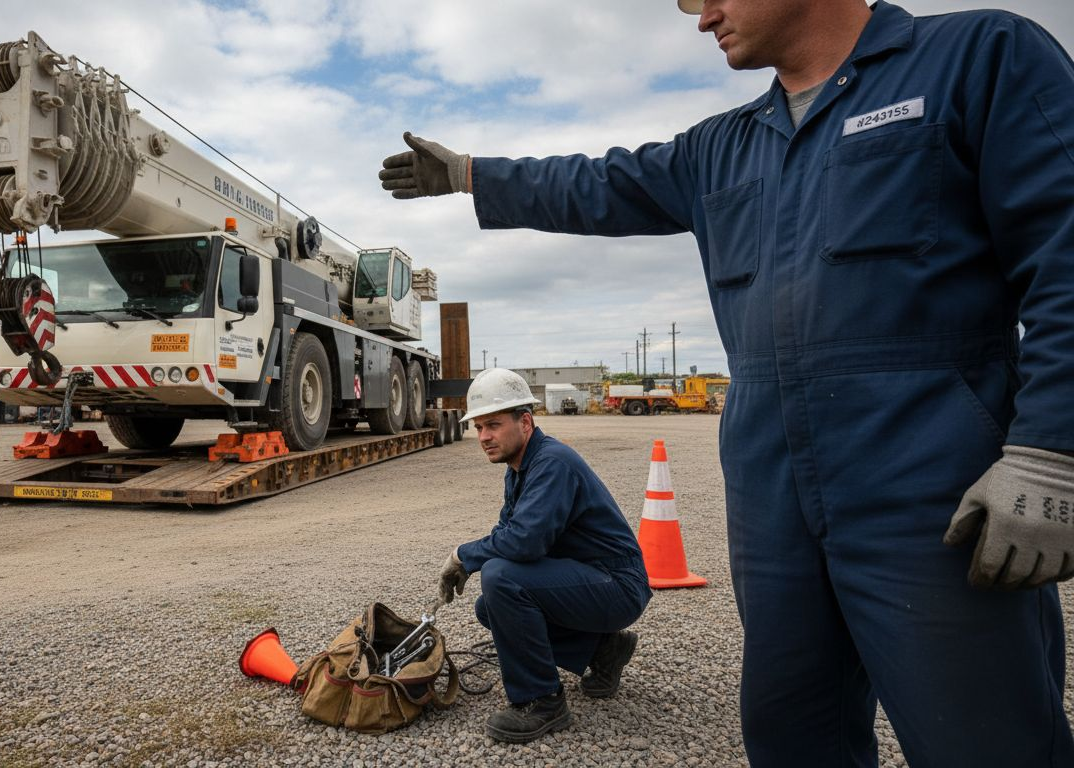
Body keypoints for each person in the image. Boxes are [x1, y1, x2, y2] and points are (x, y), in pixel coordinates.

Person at [381, 1, 1074, 765]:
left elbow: (1066, 252)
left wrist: (1050, 448)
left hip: (933, 494)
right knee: (791, 734)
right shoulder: (725, 146)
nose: (701, 15)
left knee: (983, 738)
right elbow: (599, 183)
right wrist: (472, 176)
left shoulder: (978, 58)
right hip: (772, 503)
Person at [438, 368, 652, 743]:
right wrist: (472, 557)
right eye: (478, 428)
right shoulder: (521, 466)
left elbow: (523, 543)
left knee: (501, 578)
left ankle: (542, 701)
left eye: (493, 425)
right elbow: (507, 532)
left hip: (616, 584)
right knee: (490, 607)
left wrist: (462, 556)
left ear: (525, 421)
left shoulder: (552, 463)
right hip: (591, 577)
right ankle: (604, 650)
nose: (484, 437)